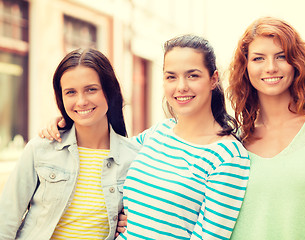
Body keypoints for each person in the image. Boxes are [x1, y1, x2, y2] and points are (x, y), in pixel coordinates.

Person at [39, 34, 251, 240]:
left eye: (192, 75)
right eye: (171, 77)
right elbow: (103, 152)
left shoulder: (228, 156)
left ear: (213, 79)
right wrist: (67, 122)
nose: (181, 86)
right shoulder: (157, 134)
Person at [227, 16, 305, 240]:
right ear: (245, 67)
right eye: (258, 58)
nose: (270, 67)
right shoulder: (234, 141)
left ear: (297, 62)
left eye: (281, 56)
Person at [0, 48, 140, 239]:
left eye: (91, 89)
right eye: (71, 92)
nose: (81, 101)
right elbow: (5, 219)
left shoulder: (134, 158)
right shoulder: (41, 149)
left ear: (109, 91)